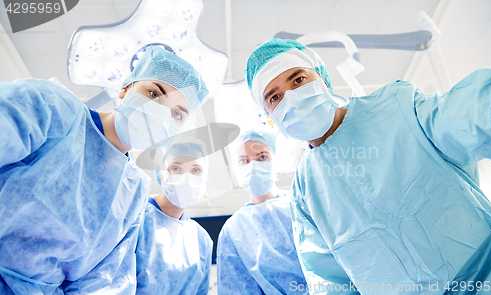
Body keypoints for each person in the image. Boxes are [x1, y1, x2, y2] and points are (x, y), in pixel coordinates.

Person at [244, 38, 491, 294]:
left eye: (298, 80)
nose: (292, 99)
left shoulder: (397, 107)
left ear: (322, 78)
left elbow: (471, 114)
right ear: (270, 115)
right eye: (274, 97)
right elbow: (329, 282)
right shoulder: (305, 192)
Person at [0, 45, 209, 294]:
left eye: (176, 114)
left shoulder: (133, 191)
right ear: (124, 90)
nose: (161, 114)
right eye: (154, 94)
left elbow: (103, 280)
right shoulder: (52, 107)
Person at [217, 127, 308, 295]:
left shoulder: (302, 206)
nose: (253, 166)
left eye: (262, 157)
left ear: (276, 160)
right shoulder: (233, 230)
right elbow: (236, 288)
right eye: (244, 161)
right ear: (235, 168)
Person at [135, 139, 213, 295]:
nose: (186, 178)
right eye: (176, 168)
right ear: (161, 174)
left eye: (196, 170)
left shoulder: (201, 240)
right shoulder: (136, 221)